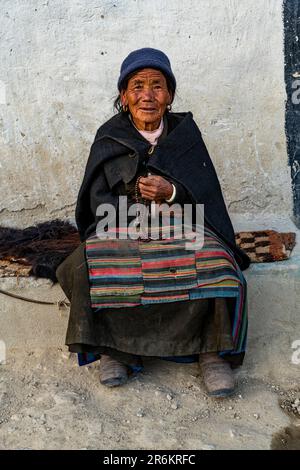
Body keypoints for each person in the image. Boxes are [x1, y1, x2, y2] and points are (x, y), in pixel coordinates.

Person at [56, 47, 250, 398]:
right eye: (138, 86)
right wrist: (133, 208)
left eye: (157, 86)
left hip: (185, 221)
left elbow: (206, 193)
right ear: (124, 95)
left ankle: (211, 353)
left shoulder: (185, 135)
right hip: (121, 225)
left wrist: (172, 191)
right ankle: (116, 350)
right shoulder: (109, 136)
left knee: (219, 263)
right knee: (86, 267)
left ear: (170, 94)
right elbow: (95, 201)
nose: (147, 95)